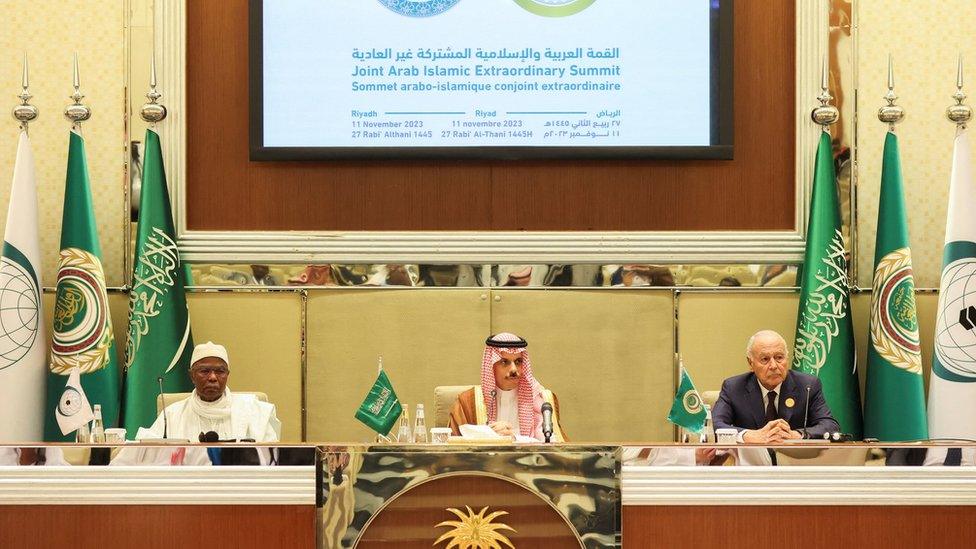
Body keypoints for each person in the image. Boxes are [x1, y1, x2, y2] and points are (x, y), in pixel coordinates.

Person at [135, 341, 281, 442]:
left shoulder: (252, 409)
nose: (212, 377)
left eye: (220, 371)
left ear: (227, 374)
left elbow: (272, 454)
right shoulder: (173, 414)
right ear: (192, 375)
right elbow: (148, 450)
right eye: (204, 371)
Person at [712, 330, 839, 444]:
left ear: (787, 359)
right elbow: (715, 424)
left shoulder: (808, 386)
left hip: (795, 464)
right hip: (752, 465)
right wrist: (748, 435)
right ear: (751, 363)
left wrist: (797, 435)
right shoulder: (733, 388)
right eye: (765, 359)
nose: (773, 365)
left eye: (779, 358)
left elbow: (830, 426)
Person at [449, 333, 567, 442]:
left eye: (518, 362)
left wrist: (514, 440)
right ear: (491, 366)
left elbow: (551, 445)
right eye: (504, 362)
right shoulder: (468, 402)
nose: (514, 369)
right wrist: (488, 435)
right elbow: (453, 445)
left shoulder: (540, 400)